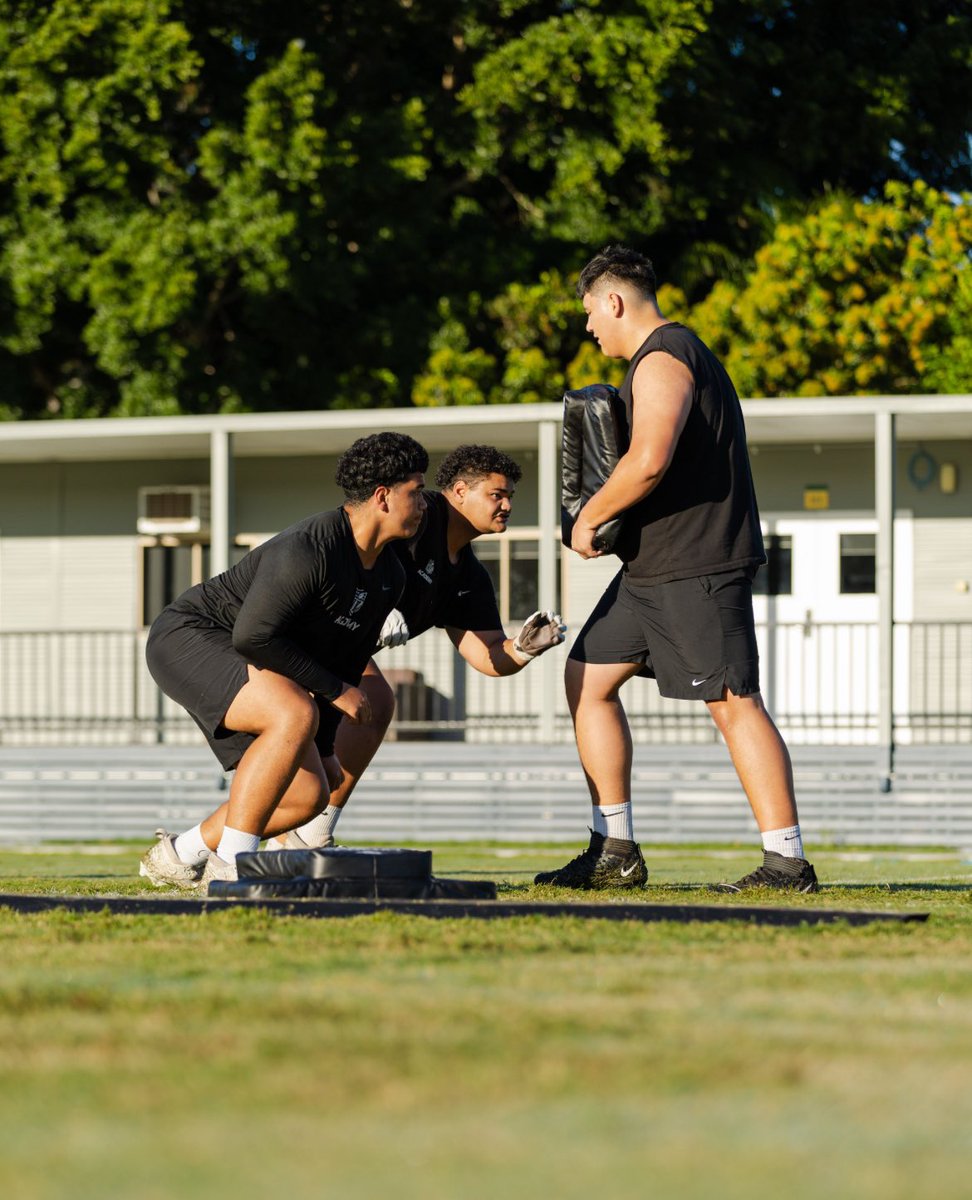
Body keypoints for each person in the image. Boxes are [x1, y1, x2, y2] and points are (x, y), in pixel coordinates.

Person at [536, 245, 818, 893]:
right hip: (650, 571)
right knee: (587, 679)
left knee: (733, 703)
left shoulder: (665, 357)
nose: (588, 327)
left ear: (613, 300)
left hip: (699, 564)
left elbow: (650, 460)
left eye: (589, 312)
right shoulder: (655, 361)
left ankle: (787, 864)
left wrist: (588, 517)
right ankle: (616, 851)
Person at [138, 431, 429, 890]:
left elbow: (344, 661)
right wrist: (336, 694)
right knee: (293, 711)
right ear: (383, 497)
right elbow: (255, 636)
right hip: (189, 637)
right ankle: (233, 863)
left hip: (256, 656)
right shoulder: (308, 548)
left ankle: (181, 854)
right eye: (417, 492)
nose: (425, 503)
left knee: (309, 796)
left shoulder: (391, 573)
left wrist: (328, 748)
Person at [264, 443, 566, 852]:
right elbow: (358, 538)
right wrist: (371, 595)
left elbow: (487, 655)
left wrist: (524, 649)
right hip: (287, 637)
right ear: (458, 491)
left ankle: (309, 835)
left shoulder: (469, 576)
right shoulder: (415, 514)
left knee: (373, 703)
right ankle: (217, 845)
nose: (508, 505)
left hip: (338, 646)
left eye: (510, 495)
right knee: (318, 732)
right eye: (497, 494)